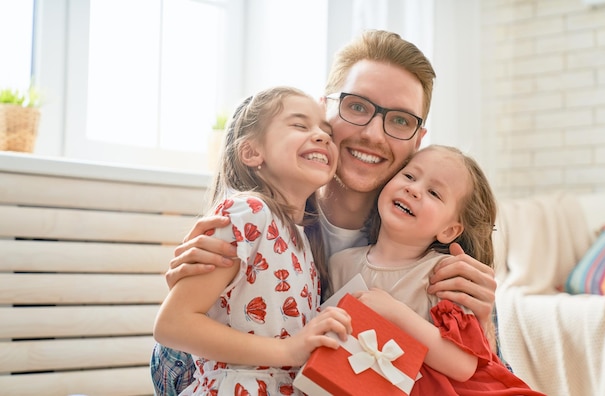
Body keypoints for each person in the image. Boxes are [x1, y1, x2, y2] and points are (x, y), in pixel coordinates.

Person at [152, 30, 500, 394]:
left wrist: (483, 324)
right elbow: (173, 361)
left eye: (399, 120)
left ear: (418, 139)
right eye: (357, 106)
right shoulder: (265, 222)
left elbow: (484, 375)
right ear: (326, 109)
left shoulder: (428, 241)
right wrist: (206, 291)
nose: (374, 134)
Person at [152, 86, 352, 395]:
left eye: (326, 131)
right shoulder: (248, 213)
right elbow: (172, 325)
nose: (322, 136)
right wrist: (290, 351)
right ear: (252, 152)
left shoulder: (304, 237)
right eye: (300, 125)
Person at [333, 145, 544, 395]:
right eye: (409, 176)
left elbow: (463, 365)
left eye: (433, 193)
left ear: (449, 231)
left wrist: (394, 312)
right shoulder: (340, 264)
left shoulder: (446, 273)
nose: (413, 189)